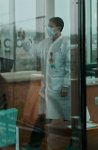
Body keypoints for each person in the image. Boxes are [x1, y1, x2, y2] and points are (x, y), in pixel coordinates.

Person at [19, 17, 71, 150]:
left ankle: (72, 143)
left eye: (50, 26)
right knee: (43, 118)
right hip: (47, 89)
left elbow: (70, 66)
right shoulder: (45, 43)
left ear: (58, 28)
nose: (48, 28)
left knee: (65, 120)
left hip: (60, 90)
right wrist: (24, 40)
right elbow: (33, 51)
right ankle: (33, 145)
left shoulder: (65, 43)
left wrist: (65, 85)